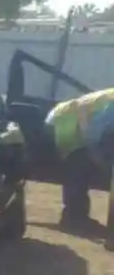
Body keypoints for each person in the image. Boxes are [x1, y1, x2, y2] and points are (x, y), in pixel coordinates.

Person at [50, 84, 114, 247]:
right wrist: (98, 158)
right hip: (65, 122)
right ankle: (73, 218)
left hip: (79, 126)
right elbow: (94, 131)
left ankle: (77, 216)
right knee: (80, 162)